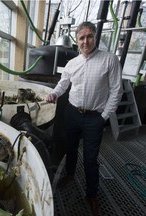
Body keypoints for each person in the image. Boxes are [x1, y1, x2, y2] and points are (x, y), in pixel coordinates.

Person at [46, 21, 123, 215]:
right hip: (72, 113)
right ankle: (70, 175)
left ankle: (91, 195)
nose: (86, 41)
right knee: (70, 149)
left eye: (89, 36)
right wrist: (54, 94)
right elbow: (63, 84)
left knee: (90, 159)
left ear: (95, 37)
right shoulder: (72, 63)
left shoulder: (109, 60)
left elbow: (116, 90)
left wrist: (104, 116)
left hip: (94, 118)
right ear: (77, 40)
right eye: (82, 37)